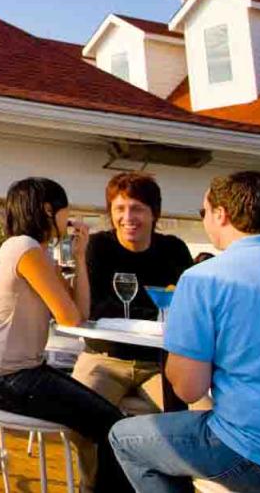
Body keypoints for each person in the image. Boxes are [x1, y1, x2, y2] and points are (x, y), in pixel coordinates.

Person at [110, 171, 260, 492]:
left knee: (125, 438)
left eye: (203, 213)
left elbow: (189, 388)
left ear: (222, 215)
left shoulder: (204, 278)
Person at [0, 177, 129, 493]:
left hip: (17, 374)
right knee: (114, 425)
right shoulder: (26, 249)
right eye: (65, 211)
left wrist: (81, 254)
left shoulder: (37, 252)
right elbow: (71, 318)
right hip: (9, 378)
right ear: (48, 209)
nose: (68, 219)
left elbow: (80, 314)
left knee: (110, 422)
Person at [72, 173, 193, 414]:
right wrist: (155, 315)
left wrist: (129, 315)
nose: (127, 218)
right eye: (120, 209)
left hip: (160, 363)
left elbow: (189, 308)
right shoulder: (98, 247)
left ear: (153, 213)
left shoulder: (174, 250)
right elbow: (96, 309)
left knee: (196, 420)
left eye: (136, 209)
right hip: (104, 359)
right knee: (80, 418)